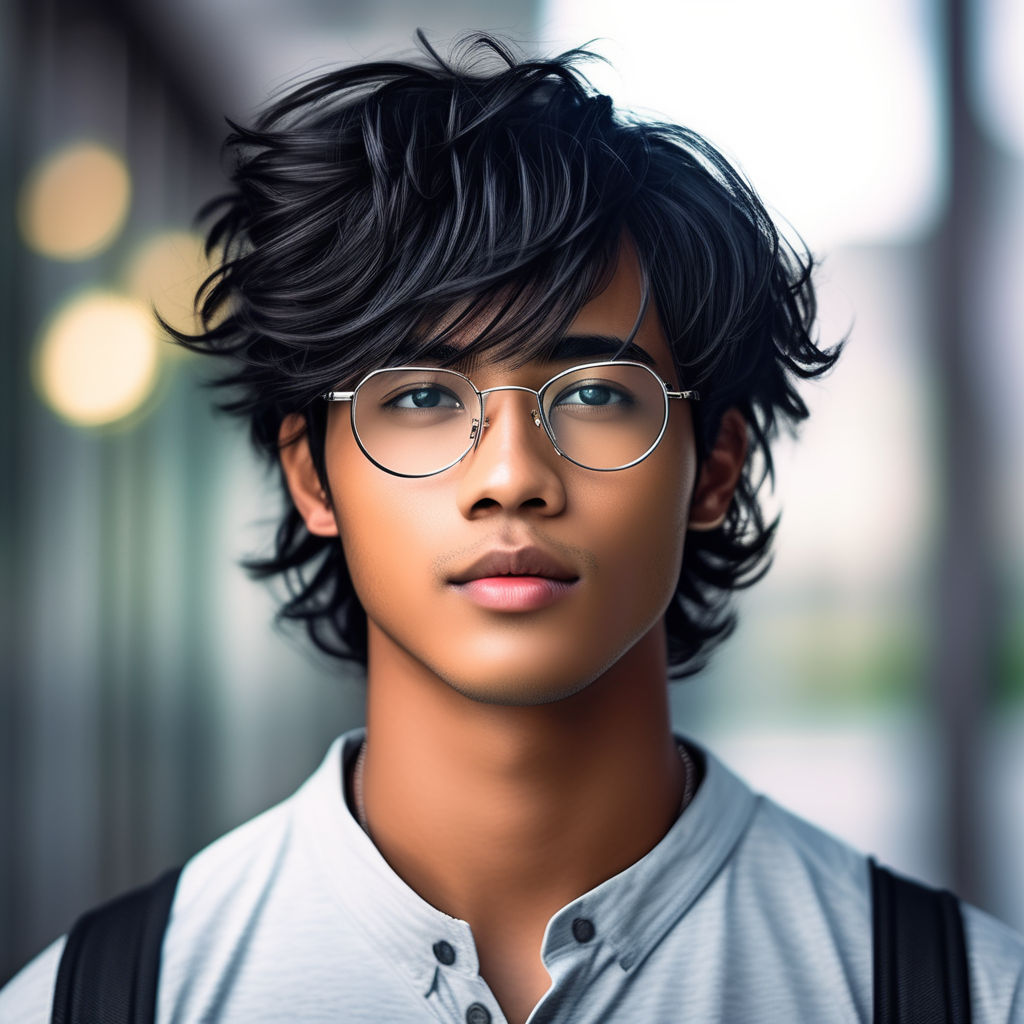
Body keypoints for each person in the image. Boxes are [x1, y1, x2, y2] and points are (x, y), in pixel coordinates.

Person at [3, 32, 1022, 1024]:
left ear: (712, 466)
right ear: (312, 475)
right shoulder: (100, 999)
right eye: (418, 399)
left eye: (591, 394)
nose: (510, 477)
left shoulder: (959, 993)